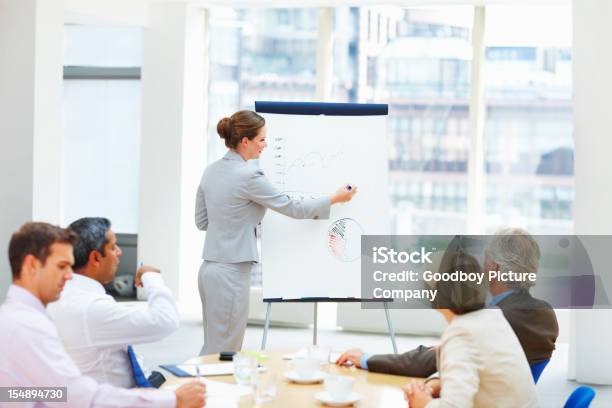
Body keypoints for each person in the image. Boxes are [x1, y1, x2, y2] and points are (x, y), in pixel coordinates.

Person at [195, 110, 357, 355]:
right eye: (261, 139)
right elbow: (293, 207)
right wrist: (334, 199)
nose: (265, 145)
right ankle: (202, 392)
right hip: (231, 273)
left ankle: (202, 390)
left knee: (213, 346)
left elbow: (202, 221)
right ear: (245, 141)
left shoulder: (211, 171)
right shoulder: (249, 176)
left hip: (209, 270)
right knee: (224, 351)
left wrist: (233, 221)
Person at [0, 222, 205, 407]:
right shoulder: (27, 325)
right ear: (32, 266)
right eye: (62, 266)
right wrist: (172, 400)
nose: (70, 276)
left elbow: (19, 393)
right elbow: (80, 397)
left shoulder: (18, 316)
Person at [336, 228, 558, 377]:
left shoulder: (494, 319)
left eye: (486, 259)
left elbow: (427, 363)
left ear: (495, 269)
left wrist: (366, 359)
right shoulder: (546, 314)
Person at [47, 217, 180, 388]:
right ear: (95, 258)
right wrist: (152, 278)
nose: (119, 252)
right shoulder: (91, 307)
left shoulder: (56, 295)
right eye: (113, 247)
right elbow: (164, 320)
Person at [403, 251, 538, 408]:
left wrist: (423, 403)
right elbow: (475, 372)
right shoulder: (490, 318)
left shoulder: (462, 334)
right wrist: (436, 383)